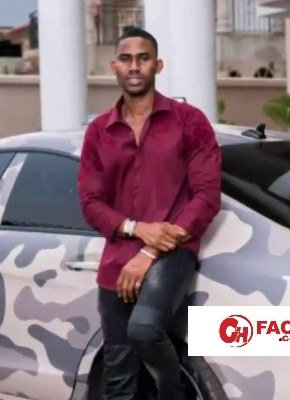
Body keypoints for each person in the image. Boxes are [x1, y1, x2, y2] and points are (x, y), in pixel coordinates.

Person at [77, 26, 222, 400]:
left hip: (173, 252)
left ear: (158, 65)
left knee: (144, 330)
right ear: (114, 67)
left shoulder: (189, 121)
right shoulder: (99, 131)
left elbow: (206, 197)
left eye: (143, 58)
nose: (134, 66)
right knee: (118, 379)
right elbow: (90, 202)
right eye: (126, 59)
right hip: (116, 262)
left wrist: (151, 249)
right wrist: (136, 229)